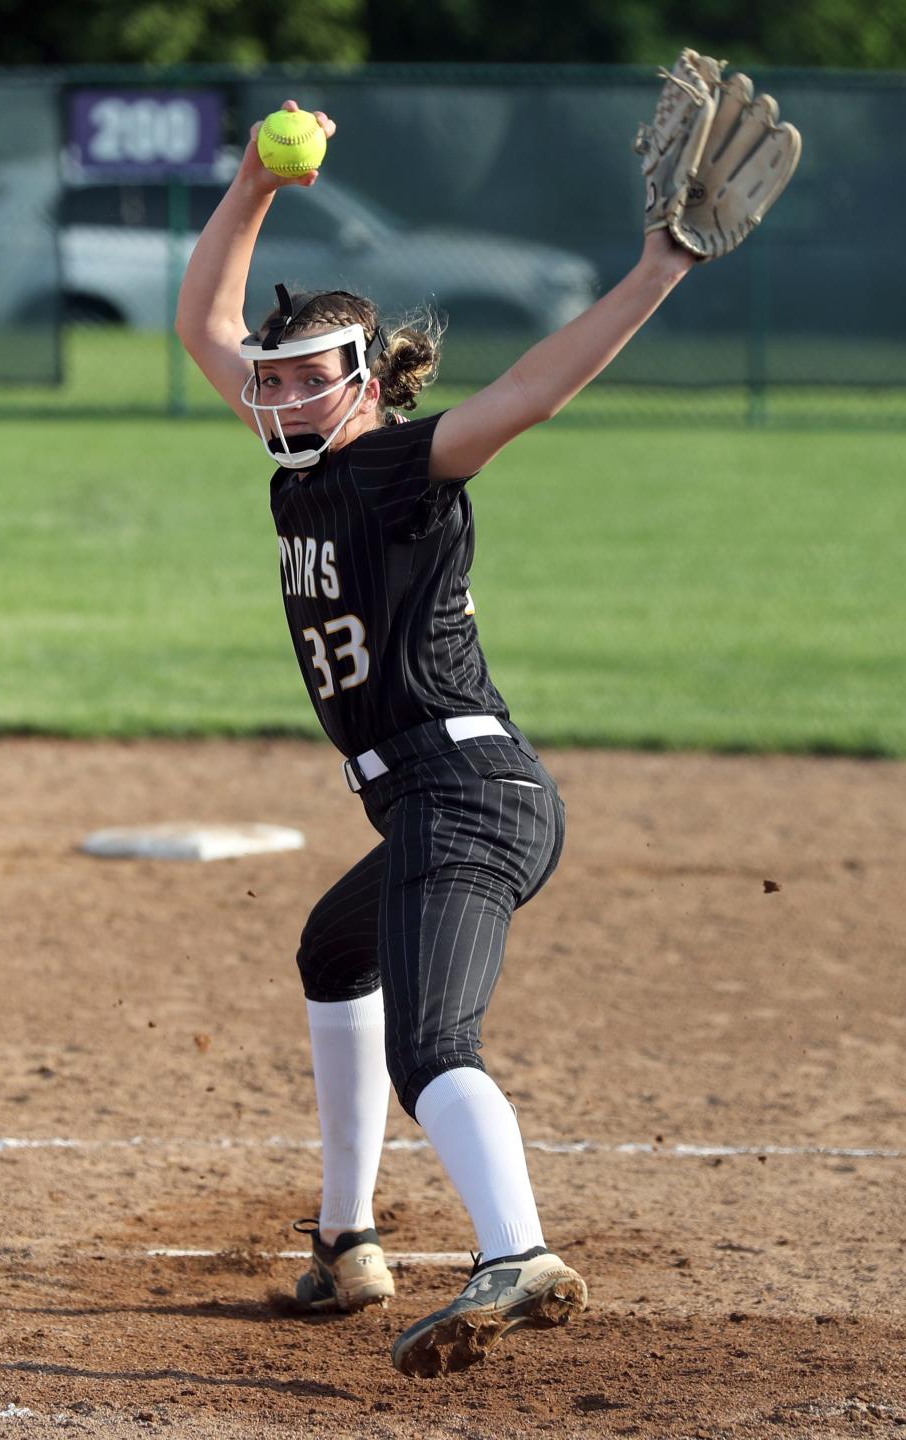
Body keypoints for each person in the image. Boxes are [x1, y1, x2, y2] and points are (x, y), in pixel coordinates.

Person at [176, 98, 695, 1380]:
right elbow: (201, 324)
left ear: (361, 388)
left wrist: (658, 267)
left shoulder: (407, 464)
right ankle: (349, 1236)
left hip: (465, 793)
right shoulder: (302, 474)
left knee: (433, 1045)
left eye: (306, 378)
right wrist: (251, 183)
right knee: (332, 949)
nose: (278, 392)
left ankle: (516, 1253)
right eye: (273, 378)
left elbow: (533, 390)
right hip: (425, 799)